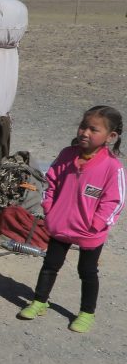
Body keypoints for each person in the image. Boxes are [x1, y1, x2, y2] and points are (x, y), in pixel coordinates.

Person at [18, 105, 124, 333]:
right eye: (83, 127)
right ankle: (40, 301)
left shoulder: (112, 167)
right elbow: (51, 182)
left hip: (89, 231)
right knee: (50, 265)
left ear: (110, 136)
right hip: (61, 224)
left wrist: (96, 224)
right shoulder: (67, 155)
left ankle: (86, 313)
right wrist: (49, 208)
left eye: (93, 129)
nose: (85, 133)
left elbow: (114, 201)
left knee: (87, 272)